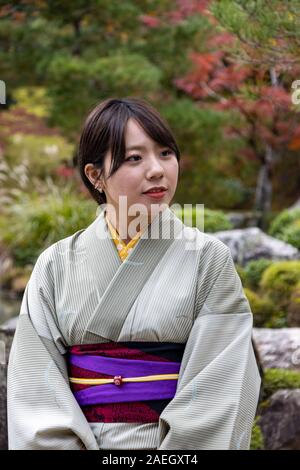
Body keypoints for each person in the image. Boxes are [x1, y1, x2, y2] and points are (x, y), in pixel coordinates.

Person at [7, 97, 261, 450]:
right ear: (95, 176)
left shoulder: (208, 259)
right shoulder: (55, 264)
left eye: (166, 153)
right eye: (134, 158)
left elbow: (221, 384)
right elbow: (36, 389)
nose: (157, 169)